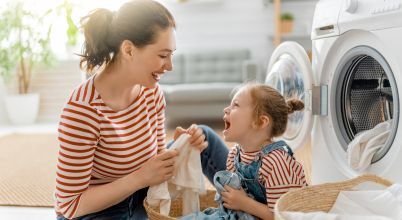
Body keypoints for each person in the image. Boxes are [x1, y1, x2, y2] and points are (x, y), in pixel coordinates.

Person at [54, 0, 229, 219]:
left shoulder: (151, 93)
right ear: (128, 50)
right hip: (98, 211)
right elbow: (71, 205)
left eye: (171, 55)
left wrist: (178, 150)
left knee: (204, 136)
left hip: (141, 194)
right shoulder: (83, 111)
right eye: (163, 55)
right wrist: (139, 178)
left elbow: (153, 163)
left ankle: (253, 204)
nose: (170, 66)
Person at [185, 83, 308, 220]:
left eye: (236, 105)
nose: (226, 109)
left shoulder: (276, 162)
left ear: (261, 122)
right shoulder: (234, 155)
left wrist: (244, 203)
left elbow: (284, 216)